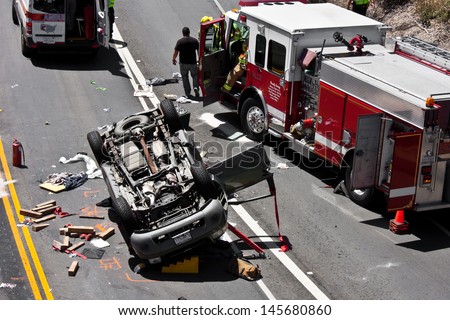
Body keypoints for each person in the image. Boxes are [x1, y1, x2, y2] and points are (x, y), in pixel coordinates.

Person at [172, 27, 200, 98]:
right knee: (195, 76)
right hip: (193, 63)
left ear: (183, 33)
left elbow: (176, 52)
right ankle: (196, 87)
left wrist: (173, 59)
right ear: (189, 32)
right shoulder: (195, 41)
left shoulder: (180, 42)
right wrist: (199, 59)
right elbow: (199, 51)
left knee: (185, 77)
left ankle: (188, 92)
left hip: (183, 63)